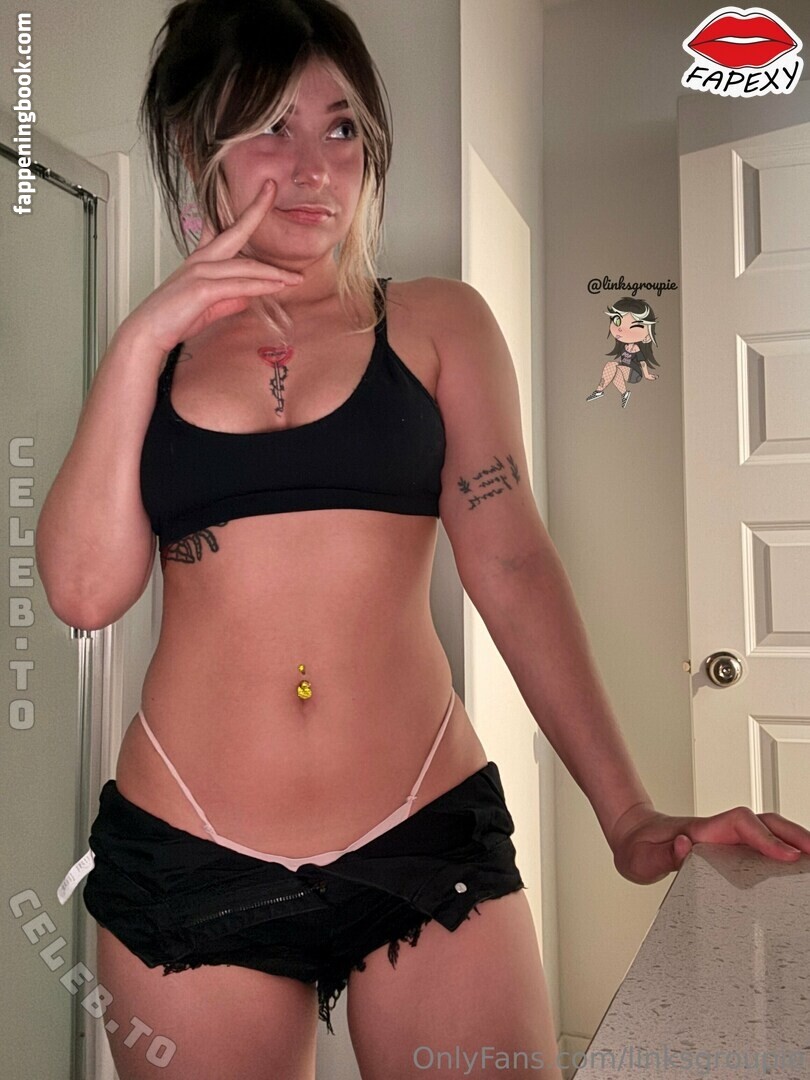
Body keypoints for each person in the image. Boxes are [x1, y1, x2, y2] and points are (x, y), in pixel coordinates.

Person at [37, 2, 810, 1078]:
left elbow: (514, 565)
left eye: (342, 128)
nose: (314, 167)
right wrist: (141, 337)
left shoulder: (438, 324)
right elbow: (84, 592)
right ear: (193, 145)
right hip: (190, 855)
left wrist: (627, 814)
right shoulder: (152, 366)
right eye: (271, 127)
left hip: (424, 837)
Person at [586, 296, 661, 409]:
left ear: (647, 335)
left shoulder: (636, 349)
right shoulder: (623, 346)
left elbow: (642, 362)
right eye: (617, 321)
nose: (621, 329)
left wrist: (646, 375)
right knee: (615, 371)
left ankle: (599, 391)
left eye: (633, 326)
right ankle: (624, 394)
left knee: (611, 365)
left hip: (634, 374)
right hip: (623, 370)